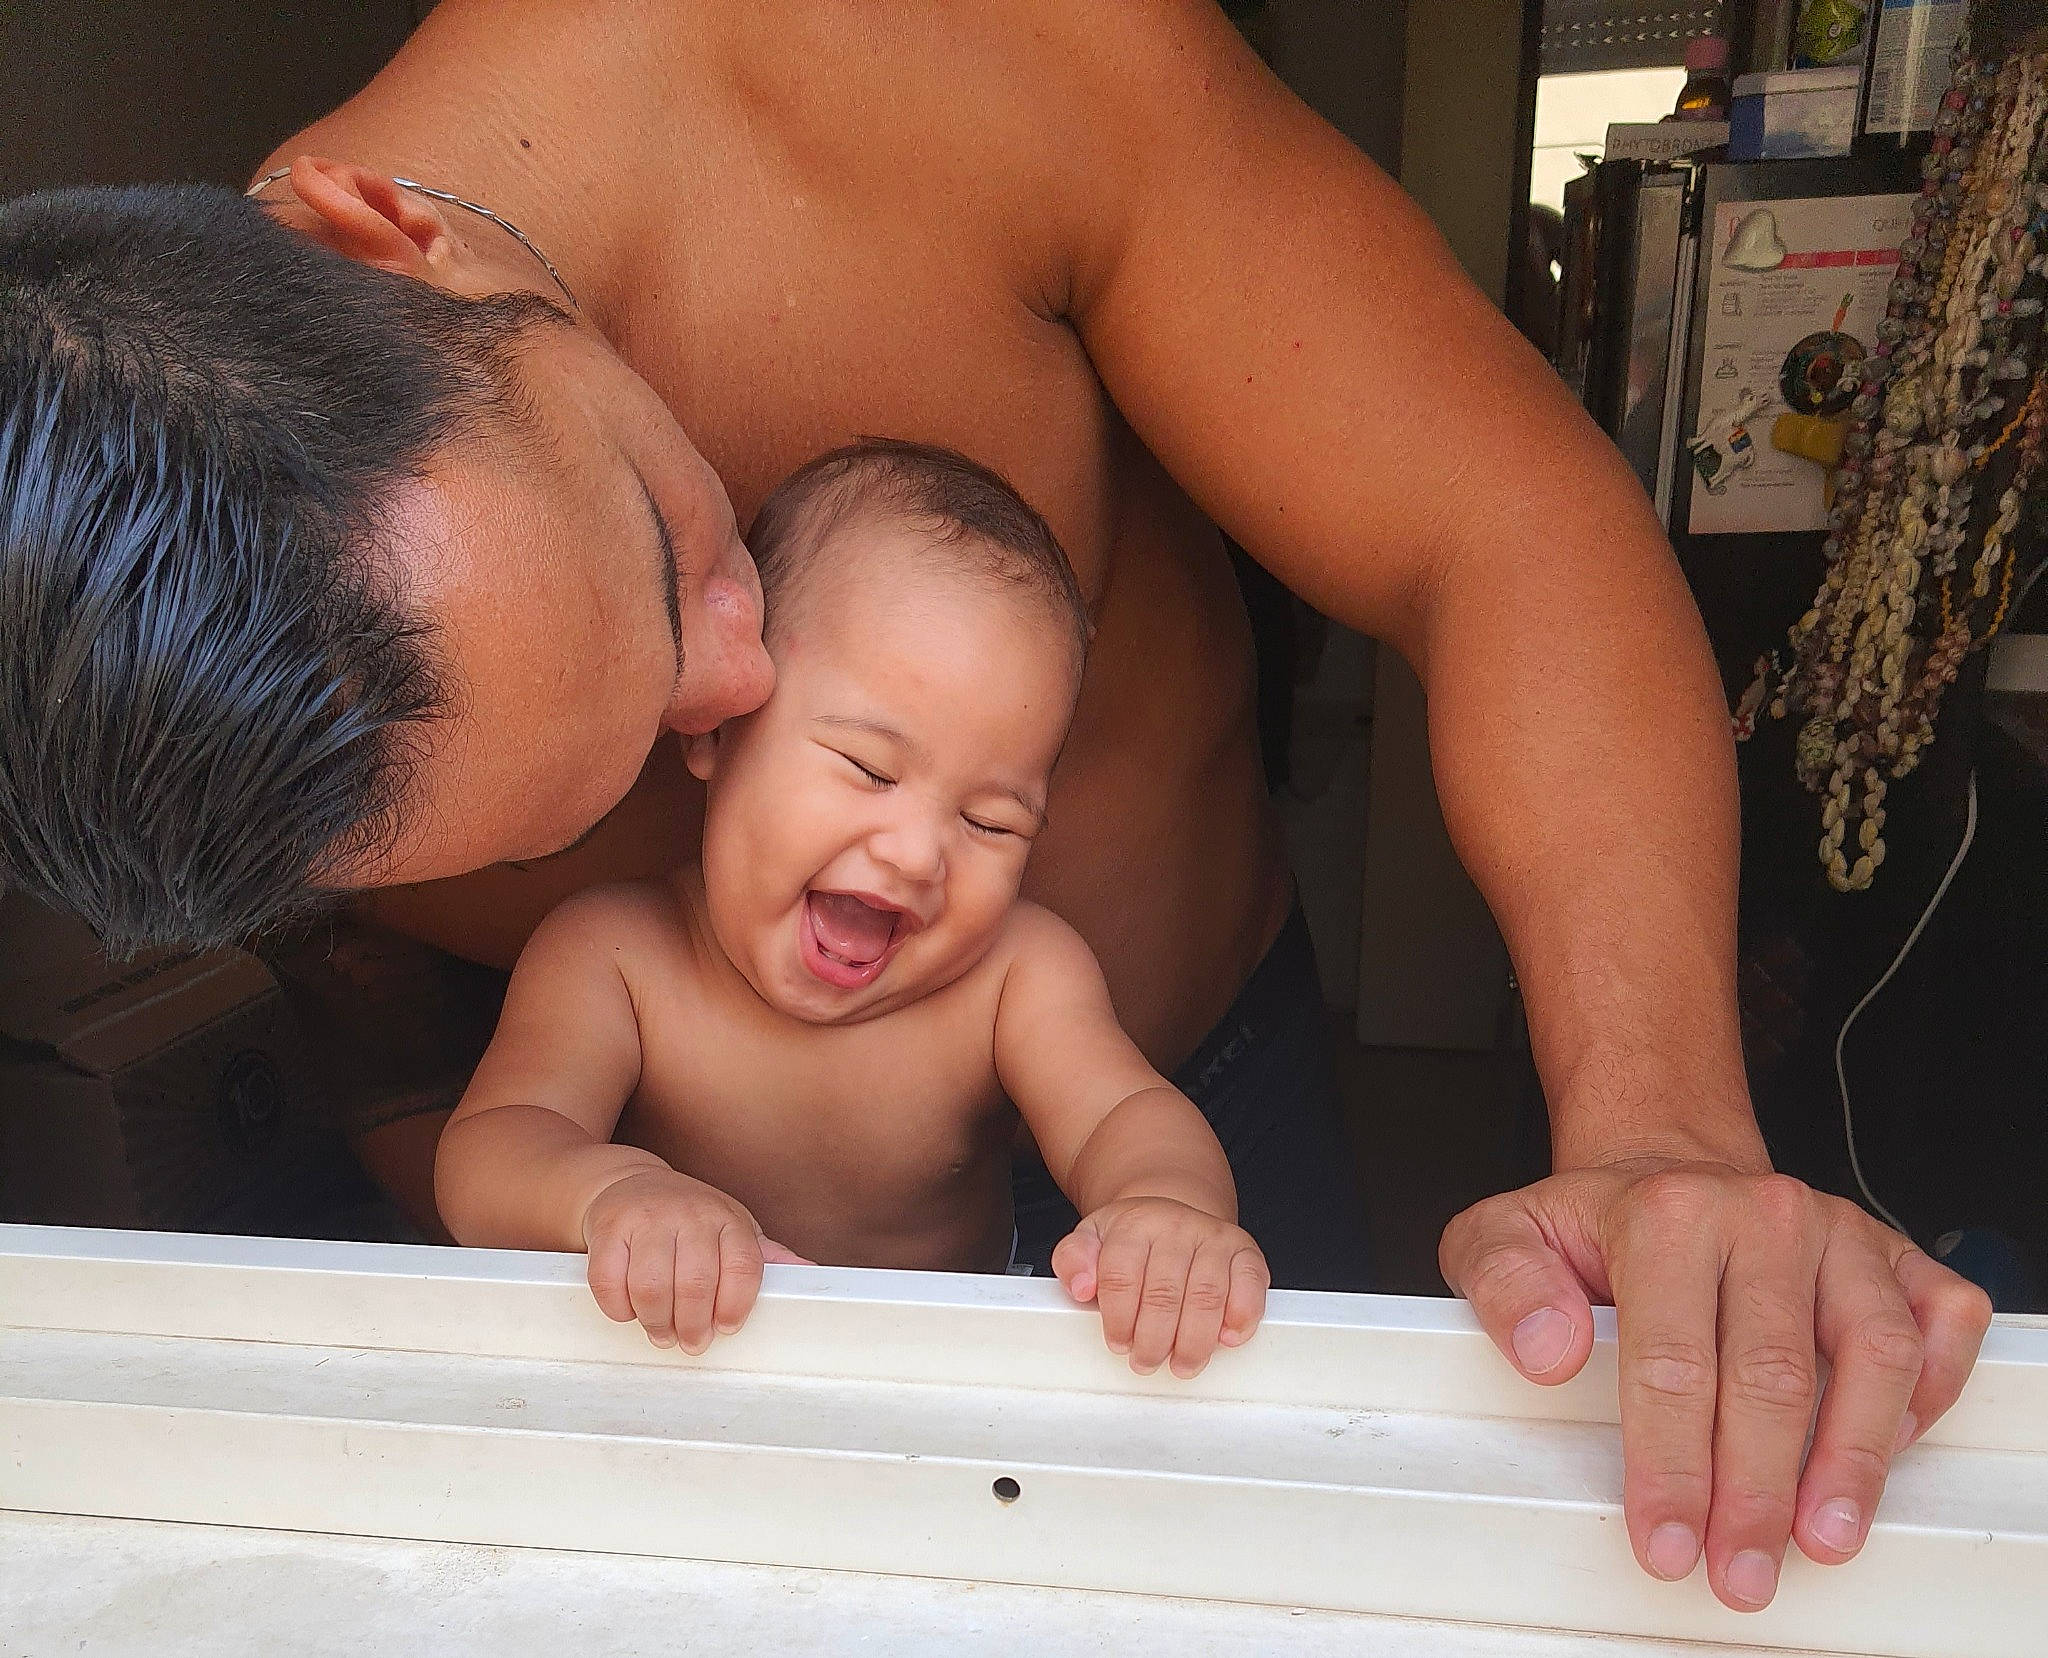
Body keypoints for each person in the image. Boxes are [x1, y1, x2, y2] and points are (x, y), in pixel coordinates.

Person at [0, 0, 1991, 1612]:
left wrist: (1655, 1129)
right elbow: (371, 1003)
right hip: (679, 1250)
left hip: (1168, 1126)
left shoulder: (954, 59)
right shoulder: (158, 689)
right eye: (544, 820)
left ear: (386, 241)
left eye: (652, 548)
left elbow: (1495, 525)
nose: (727, 701)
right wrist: (493, 1226)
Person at [437, 440, 1269, 1376]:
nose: (918, 854)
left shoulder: (1016, 974)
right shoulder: (617, 958)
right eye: (869, 769)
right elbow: (491, 1152)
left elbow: (1126, 1114)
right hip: (668, 1373)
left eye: (992, 823)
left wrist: (1166, 1209)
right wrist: (615, 1194)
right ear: (716, 722)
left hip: (941, 1382)